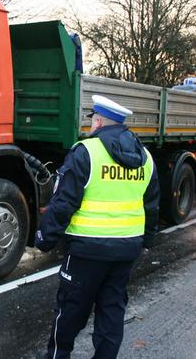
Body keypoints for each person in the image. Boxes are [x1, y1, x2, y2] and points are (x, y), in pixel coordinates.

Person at [36, 94, 160, 359]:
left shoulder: (86, 152)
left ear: (100, 121)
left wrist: (44, 238)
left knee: (70, 312)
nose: (91, 124)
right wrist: (147, 242)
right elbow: (151, 205)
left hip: (86, 251)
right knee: (111, 312)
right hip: (126, 249)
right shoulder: (145, 157)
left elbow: (63, 203)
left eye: (93, 119)